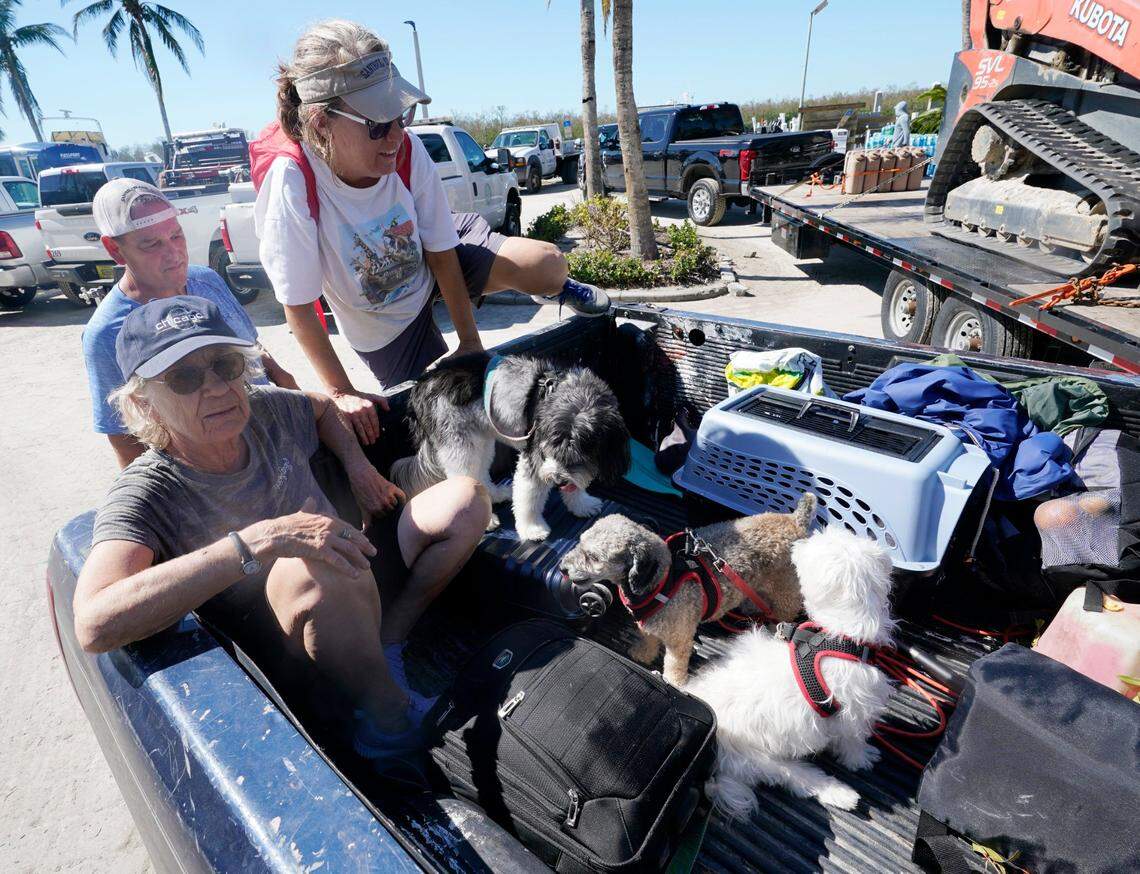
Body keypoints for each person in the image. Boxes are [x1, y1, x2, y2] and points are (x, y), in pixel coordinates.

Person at [74, 295, 491, 766]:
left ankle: (389, 643)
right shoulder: (146, 492)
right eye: (184, 377)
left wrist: (359, 468)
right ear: (143, 404)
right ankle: (386, 721)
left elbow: (319, 407)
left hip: (355, 564)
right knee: (311, 568)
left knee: (465, 498)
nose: (215, 388)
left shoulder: (263, 409)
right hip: (290, 636)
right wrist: (259, 540)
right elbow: (94, 622)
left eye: (226, 365)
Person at [255, 19, 610, 446]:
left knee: (547, 265)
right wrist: (341, 391)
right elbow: (297, 302)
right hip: (383, 319)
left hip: (428, 254)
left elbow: (441, 249)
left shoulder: (406, 150)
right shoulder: (292, 180)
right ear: (320, 123)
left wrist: (469, 340)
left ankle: (551, 288)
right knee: (451, 423)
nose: (395, 135)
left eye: (401, 115)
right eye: (376, 124)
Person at [82, 178, 297, 468]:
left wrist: (289, 389)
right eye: (151, 244)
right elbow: (124, 439)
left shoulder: (206, 280)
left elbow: (252, 346)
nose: (174, 254)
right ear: (115, 250)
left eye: (176, 236)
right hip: (217, 470)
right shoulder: (107, 332)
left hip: (273, 439)